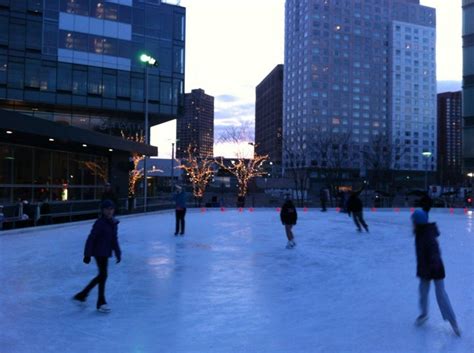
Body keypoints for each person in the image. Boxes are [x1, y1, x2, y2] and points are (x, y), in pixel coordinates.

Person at [411, 196, 461, 336]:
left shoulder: (426, 234)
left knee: (441, 295)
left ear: (417, 223)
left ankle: (454, 323)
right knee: (423, 292)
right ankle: (424, 314)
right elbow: (424, 215)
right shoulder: (421, 230)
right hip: (425, 268)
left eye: (413, 221)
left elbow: (434, 252)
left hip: (435, 268)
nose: (412, 224)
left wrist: (433, 267)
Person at [73, 200, 121, 313]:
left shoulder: (113, 223)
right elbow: (91, 239)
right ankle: (100, 302)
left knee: (102, 276)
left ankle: (83, 294)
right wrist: (87, 254)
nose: (109, 211)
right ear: (102, 211)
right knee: (103, 275)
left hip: (106, 252)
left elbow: (114, 239)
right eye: (107, 209)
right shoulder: (100, 223)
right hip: (98, 252)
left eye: (111, 209)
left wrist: (118, 252)